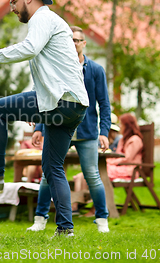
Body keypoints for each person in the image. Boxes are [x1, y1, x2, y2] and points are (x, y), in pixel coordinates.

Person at [0, 0, 89, 237]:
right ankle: (66, 230)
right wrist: (38, 104)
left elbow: (29, 49)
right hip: (74, 106)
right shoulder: (55, 23)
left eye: (13, 1)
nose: (11, 8)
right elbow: (53, 72)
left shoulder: (41, 18)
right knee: (53, 168)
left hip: (60, 102)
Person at [28, 26, 111, 233]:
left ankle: (102, 220)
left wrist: (104, 132)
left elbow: (104, 103)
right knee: (48, 174)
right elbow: (43, 94)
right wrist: (39, 126)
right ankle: (40, 219)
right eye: (70, 40)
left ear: (84, 44)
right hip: (57, 127)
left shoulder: (96, 70)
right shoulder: (56, 66)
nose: (73, 43)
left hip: (87, 132)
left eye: (77, 40)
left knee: (92, 174)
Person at [107, 113, 143, 181]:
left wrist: (112, 162)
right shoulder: (122, 140)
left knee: (101, 170)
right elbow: (118, 155)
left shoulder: (135, 140)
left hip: (130, 170)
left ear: (127, 126)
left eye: (121, 124)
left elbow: (127, 158)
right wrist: (110, 161)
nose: (120, 126)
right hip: (120, 167)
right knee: (97, 169)